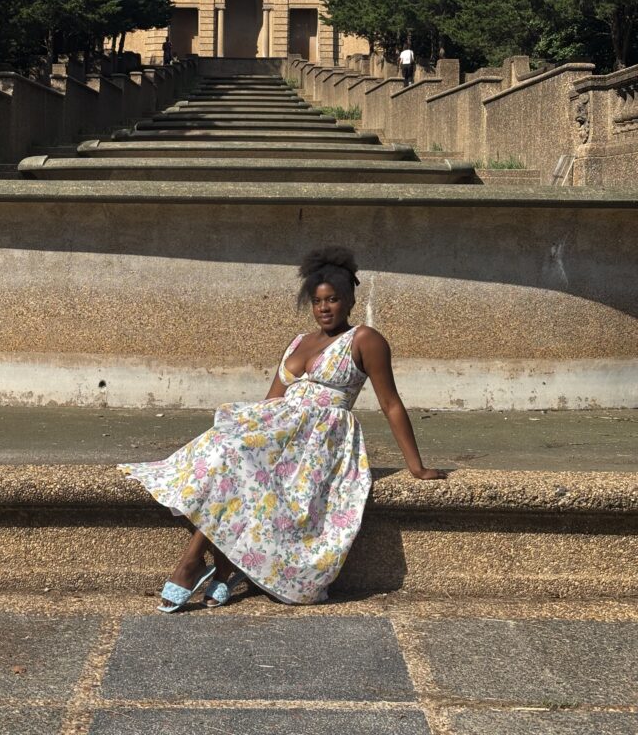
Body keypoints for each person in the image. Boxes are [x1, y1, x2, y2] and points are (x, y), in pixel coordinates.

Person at [117, 246, 446, 612]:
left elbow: (390, 403)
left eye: (333, 299)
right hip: (282, 429)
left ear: (350, 299)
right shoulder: (299, 342)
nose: (324, 308)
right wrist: (252, 434)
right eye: (318, 301)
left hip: (322, 440)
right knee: (230, 451)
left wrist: (415, 466)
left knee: (238, 461)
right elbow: (272, 400)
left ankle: (194, 564)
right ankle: (222, 568)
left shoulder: (365, 339)